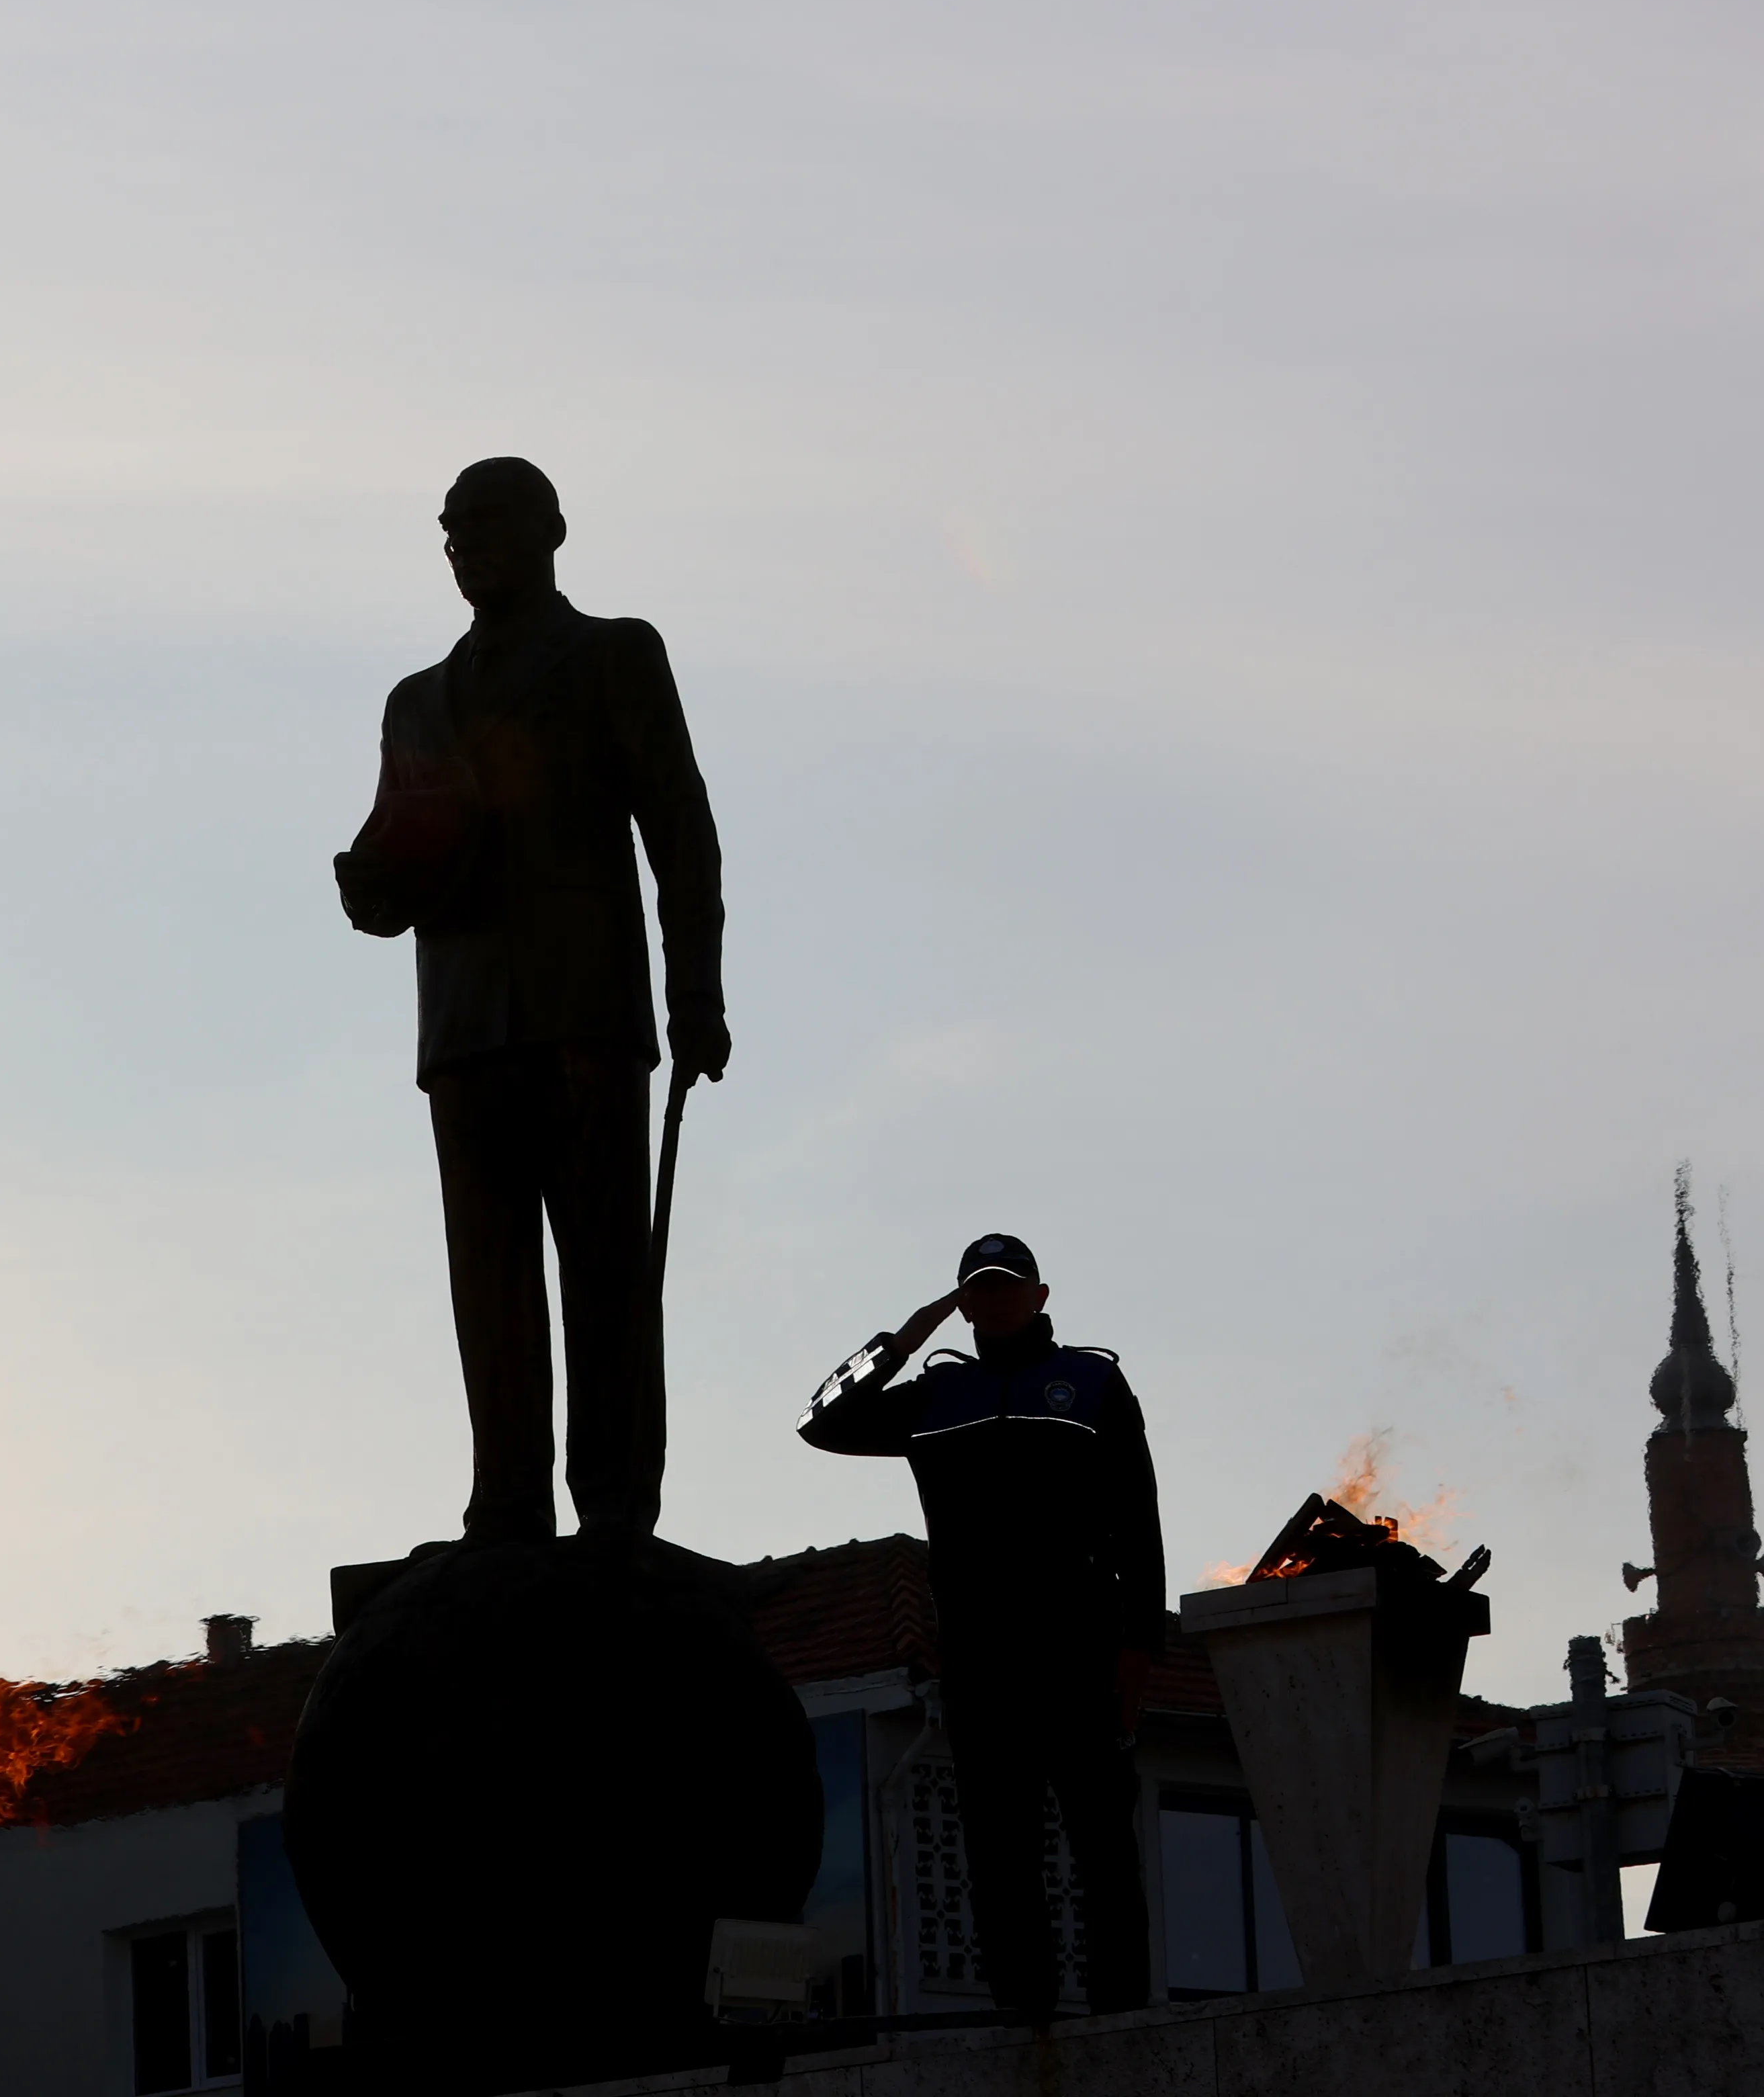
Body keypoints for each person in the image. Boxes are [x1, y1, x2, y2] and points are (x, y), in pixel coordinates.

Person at [333, 456, 727, 1549]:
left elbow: (678, 828)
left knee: (605, 1271)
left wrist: (694, 987)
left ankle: (611, 1503)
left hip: (585, 1013)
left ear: (549, 531)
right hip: (462, 1026)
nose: (465, 547)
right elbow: (392, 859)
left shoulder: (612, 654)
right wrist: (368, 880)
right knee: (488, 1282)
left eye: (485, 525)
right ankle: (505, 1498)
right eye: (450, 532)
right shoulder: (415, 700)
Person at [799, 1233, 1164, 2017]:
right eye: (979, 1288)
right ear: (965, 1302)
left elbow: (1139, 1519)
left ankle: (1125, 2018)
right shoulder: (934, 1396)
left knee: (1102, 1839)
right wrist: (910, 1335)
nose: (994, 1299)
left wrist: (1140, 1645)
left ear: (1039, 1296)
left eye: (1008, 1286)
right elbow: (821, 1424)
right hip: (978, 1654)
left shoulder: (1092, 1382)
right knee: (1000, 1845)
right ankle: (1022, 2017)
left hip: (1079, 1645)